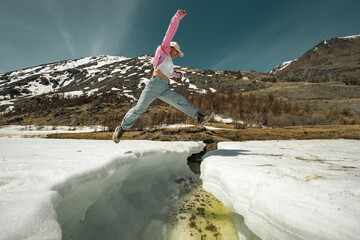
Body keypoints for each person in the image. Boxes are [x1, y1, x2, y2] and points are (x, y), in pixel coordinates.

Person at [113, 9, 214, 143]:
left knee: (179, 99)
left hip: (163, 87)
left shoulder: (170, 62)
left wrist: (175, 74)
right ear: (171, 48)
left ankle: (199, 117)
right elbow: (170, 31)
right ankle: (122, 128)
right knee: (140, 108)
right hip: (154, 85)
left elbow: (169, 72)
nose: (176, 54)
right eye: (176, 52)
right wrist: (178, 16)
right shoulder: (162, 51)